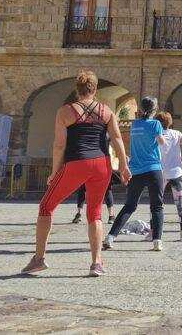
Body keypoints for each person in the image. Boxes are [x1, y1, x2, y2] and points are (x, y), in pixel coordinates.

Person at [22, 71, 130, 277]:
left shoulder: (66, 111)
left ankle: (39, 259)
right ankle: (96, 263)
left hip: (77, 163)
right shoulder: (106, 111)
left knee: (46, 206)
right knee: (95, 212)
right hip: (102, 164)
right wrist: (124, 166)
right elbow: (117, 139)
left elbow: (59, 145)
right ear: (95, 89)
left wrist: (54, 172)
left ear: (77, 90)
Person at [105, 96, 168, 253]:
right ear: (154, 109)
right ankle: (157, 241)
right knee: (157, 206)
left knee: (130, 206)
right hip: (153, 169)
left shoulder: (135, 125)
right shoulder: (156, 124)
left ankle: (110, 237)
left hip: (136, 170)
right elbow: (162, 142)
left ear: (140, 109)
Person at [158, 112, 182, 242]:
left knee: (156, 203)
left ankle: (153, 232)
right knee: (180, 204)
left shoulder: (156, 135)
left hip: (161, 173)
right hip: (177, 172)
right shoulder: (177, 134)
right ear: (170, 122)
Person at [71, 144, 119, 224]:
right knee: (107, 190)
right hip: (103, 165)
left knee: (82, 190)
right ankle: (111, 216)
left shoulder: (87, 142)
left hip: (87, 164)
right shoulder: (105, 141)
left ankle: (79, 214)